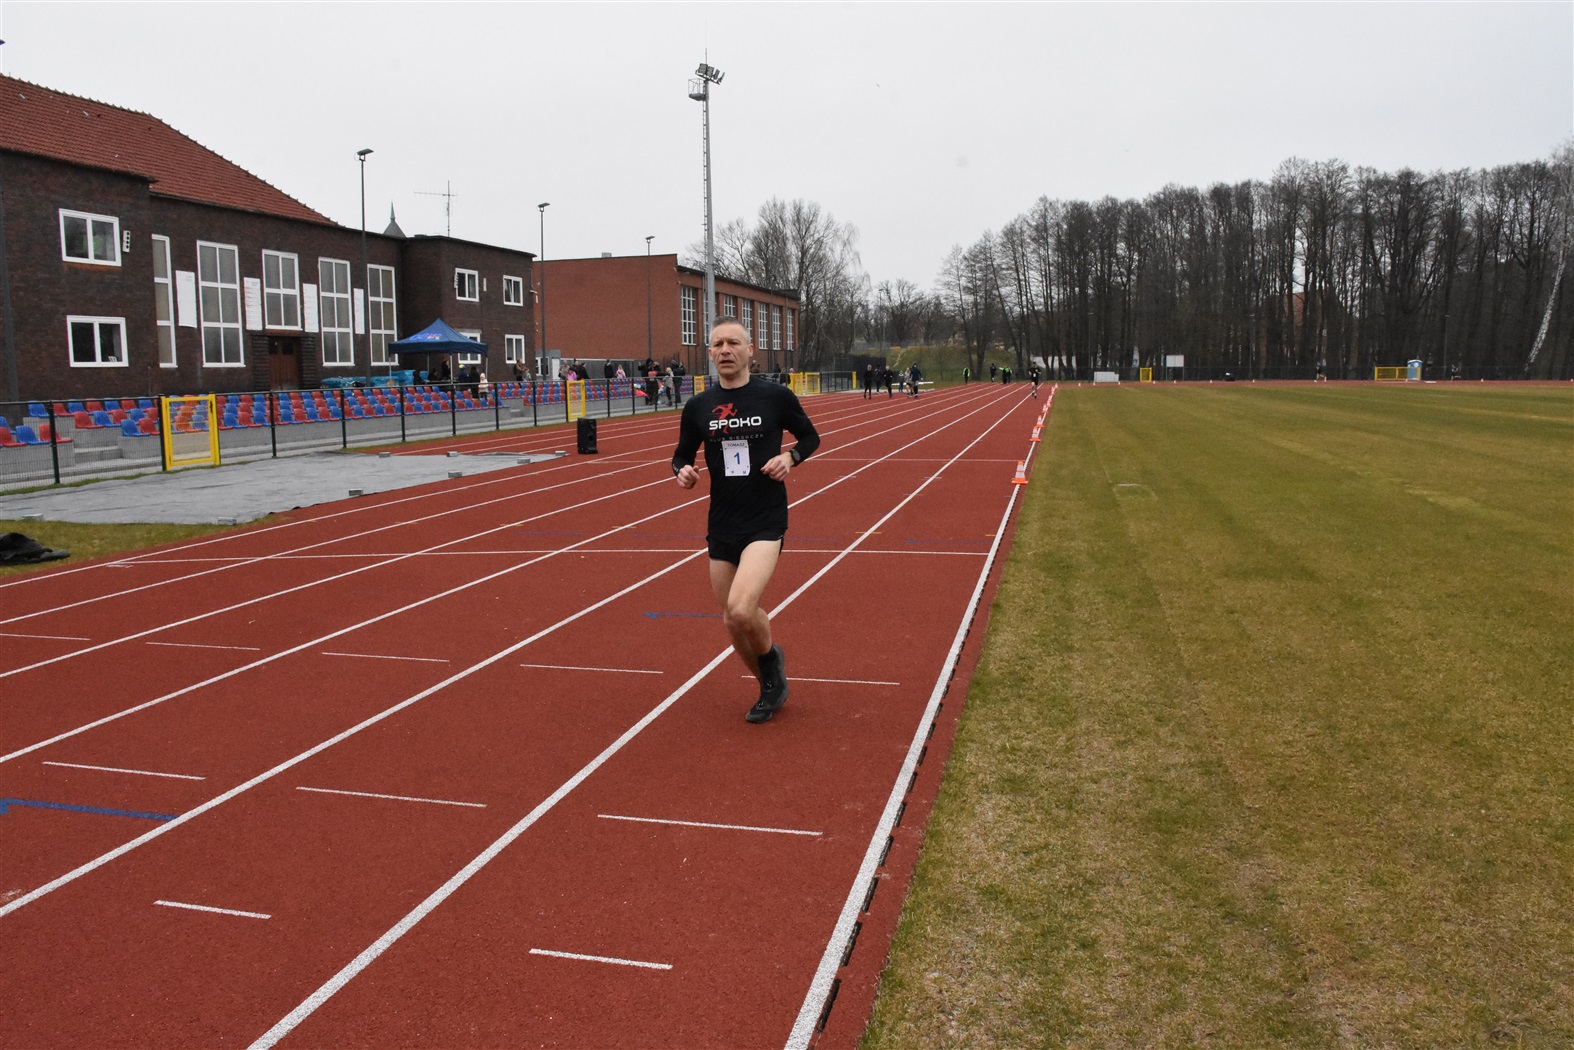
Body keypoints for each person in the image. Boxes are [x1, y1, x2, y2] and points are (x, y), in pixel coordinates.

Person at [672, 317, 821, 724]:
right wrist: (683, 472)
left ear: (750, 350)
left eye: (733, 343)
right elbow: (681, 454)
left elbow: (810, 437)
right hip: (722, 521)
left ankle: (771, 660)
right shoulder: (699, 406)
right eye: (718, 343)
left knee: (741, 608)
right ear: (709, 352)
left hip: (765, 518)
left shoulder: (775, 396)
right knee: (731, 621)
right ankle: (768, 683)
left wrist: (790, 457)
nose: (725, 350)